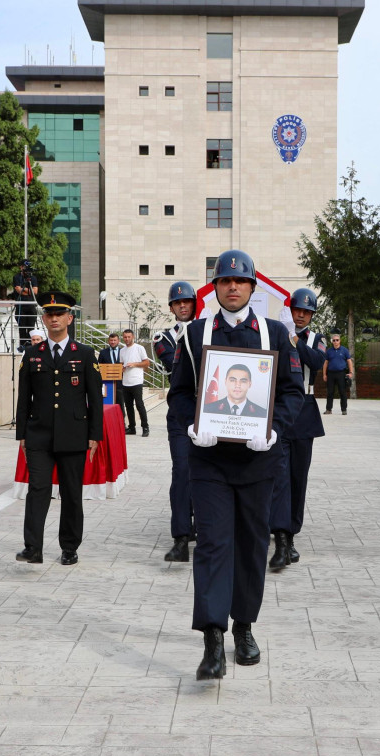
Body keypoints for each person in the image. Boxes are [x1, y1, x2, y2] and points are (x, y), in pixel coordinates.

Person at [168, 249, 303, 680]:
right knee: (211, 545)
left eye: (239, 282)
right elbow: (180, 394)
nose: (232, 287)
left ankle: (243, 627)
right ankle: (212, 640)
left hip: (258, 461)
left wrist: (274, 431)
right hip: (209, 460)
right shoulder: (194, 334)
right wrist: (193, 427)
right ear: (215, 287)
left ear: (251, 287)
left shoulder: (275, 334)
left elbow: (291, 393)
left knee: (249, 546)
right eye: (224, 281)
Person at [16, 290, 103, 566]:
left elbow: (95, 399)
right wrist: (22, 434)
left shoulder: (85, 354)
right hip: (39, 434)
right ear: (43, 318)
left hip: (74, 435)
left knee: (71, 492)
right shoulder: (32, 354)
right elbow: (23, 397)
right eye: (49, 314)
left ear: (69, 317)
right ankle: (33, 547)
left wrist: (94, 435)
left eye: (59, 314)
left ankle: (69, 546)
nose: (54, 319)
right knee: (38, 489)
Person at [269, 287, 326, 571]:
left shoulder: (317, 338)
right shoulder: (276, 333)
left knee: (297, 477)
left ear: (312, 315)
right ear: (290, 310)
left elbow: (316, 361)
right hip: (279, 409)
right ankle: (278, 534)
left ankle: (290, 535)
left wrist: (294, 340)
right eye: (297, 310)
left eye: (306, 312)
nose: (301, 315)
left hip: (304, 410)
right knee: (278, 476)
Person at [155, 282, 200, 562]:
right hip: (182, 411)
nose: (183, 306)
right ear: (171, 307)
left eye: (187, 301)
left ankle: (204, 528)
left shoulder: (207, 330)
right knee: (182, 472)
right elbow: (175, 364)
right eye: (177, 302)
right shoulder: (163, 337)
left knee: (208, 473)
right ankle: (181, 537)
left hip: (209, 411)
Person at [119, 328, 151, 436]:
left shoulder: (139, 348)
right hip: (125, 381)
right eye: (125, 337)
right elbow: (121, 364)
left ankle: (145, 427)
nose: (127, 339)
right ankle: (131, 427)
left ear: (133, 337)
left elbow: (147, 363)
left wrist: (135, 364)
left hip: (136, 381)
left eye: (129, 337)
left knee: (139, 404)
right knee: (128, 406)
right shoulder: (122, 350)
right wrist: (122, 368)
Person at [12, 260, 40, 352]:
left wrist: (25, 291)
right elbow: (18, 290)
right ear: (21, 267)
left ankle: (31, 347)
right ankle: (22, 347)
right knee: (22, 328)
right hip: (21, 307)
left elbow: (35, 292)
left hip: (31, 306)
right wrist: (29, 292)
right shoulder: (17, 277)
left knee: (31, 327)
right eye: (24, 266)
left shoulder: (33, 278)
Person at [323, 334, 353, 415]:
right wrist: (324, 375)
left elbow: (349, 361)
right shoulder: (329, 351)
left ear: (340, 341)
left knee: (342, 392)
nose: (335, 341)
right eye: (334, 340)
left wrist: (351, 372)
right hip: (331, 374)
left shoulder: (344, 350)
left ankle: (344, 409)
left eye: (337, 340)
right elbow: (326, 363)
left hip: (341, 373)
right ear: (332, 341)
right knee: (330, 392)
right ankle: (328, 409)